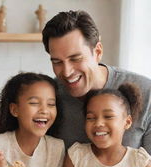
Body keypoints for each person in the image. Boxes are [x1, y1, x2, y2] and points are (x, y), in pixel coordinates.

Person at [42, 10, 151, 154]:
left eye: (76, 59)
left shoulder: (146, 91)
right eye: (57, 62)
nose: (67, 72)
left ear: (98, 52)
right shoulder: (49, 98)